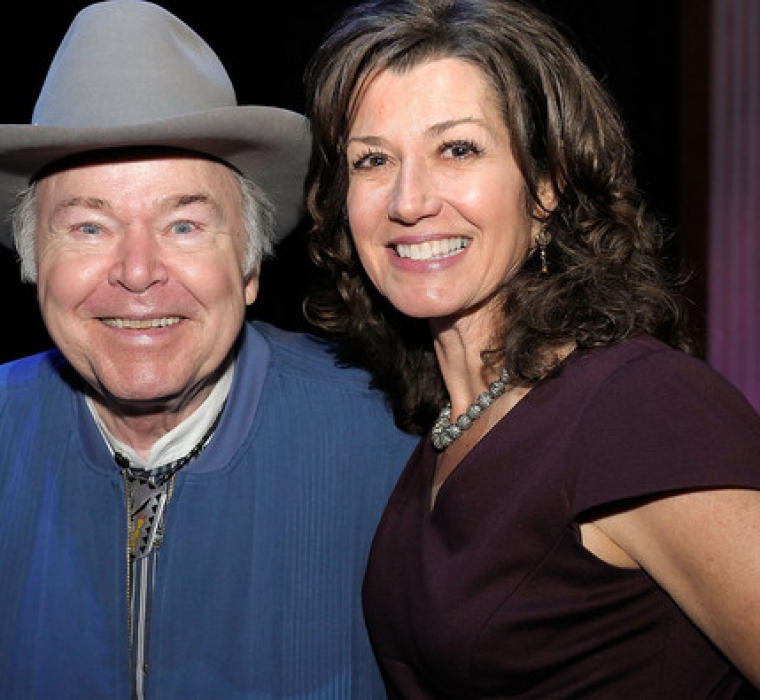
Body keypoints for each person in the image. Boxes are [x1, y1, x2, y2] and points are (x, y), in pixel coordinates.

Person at [301, 0, 760, 696]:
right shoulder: (439, 432)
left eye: (457, 149)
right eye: (372, 160)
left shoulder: (640, 408)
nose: (408, 199)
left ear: (546, 187)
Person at [0, 2, 417, 698]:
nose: (137, 271)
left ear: (250, 269)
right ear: (36, 264)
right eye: (89, 227)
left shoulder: (394, 449)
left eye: (185, 225)